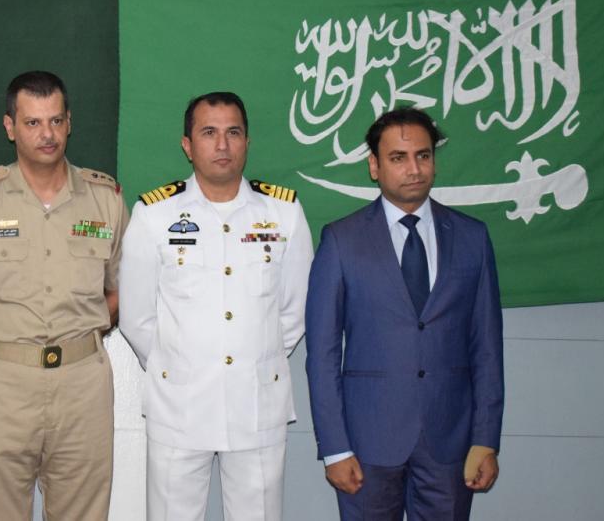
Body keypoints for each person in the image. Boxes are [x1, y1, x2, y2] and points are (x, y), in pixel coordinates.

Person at [0, 70, 128, 521]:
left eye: (56, 121)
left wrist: (87, 330)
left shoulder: (106, 198)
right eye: (34, 123)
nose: (47, 134)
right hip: (1, 383)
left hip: (82, 386)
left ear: (70, 123)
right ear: (10, 127)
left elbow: (122, 292)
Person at [119, 91, 313, 521]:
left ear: (247, 142)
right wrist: (185, 364)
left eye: (233, 132)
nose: (222, 145)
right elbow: (136, 318)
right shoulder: (154, 215)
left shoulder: (284, 213)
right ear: (188, 145)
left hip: (256, 403)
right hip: (179, 406)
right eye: (208, 133)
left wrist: (249, 357)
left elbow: (295, 312)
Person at [305, 107, 504, 520]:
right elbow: (322, 355)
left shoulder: (472, 237)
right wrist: (335, 448)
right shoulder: (341, 241)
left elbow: (487, 348)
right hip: (367, 444)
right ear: (374, 166)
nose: (413, 168)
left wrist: (486, 439)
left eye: (423, 156)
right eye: (398, 158)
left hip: (450, 442)